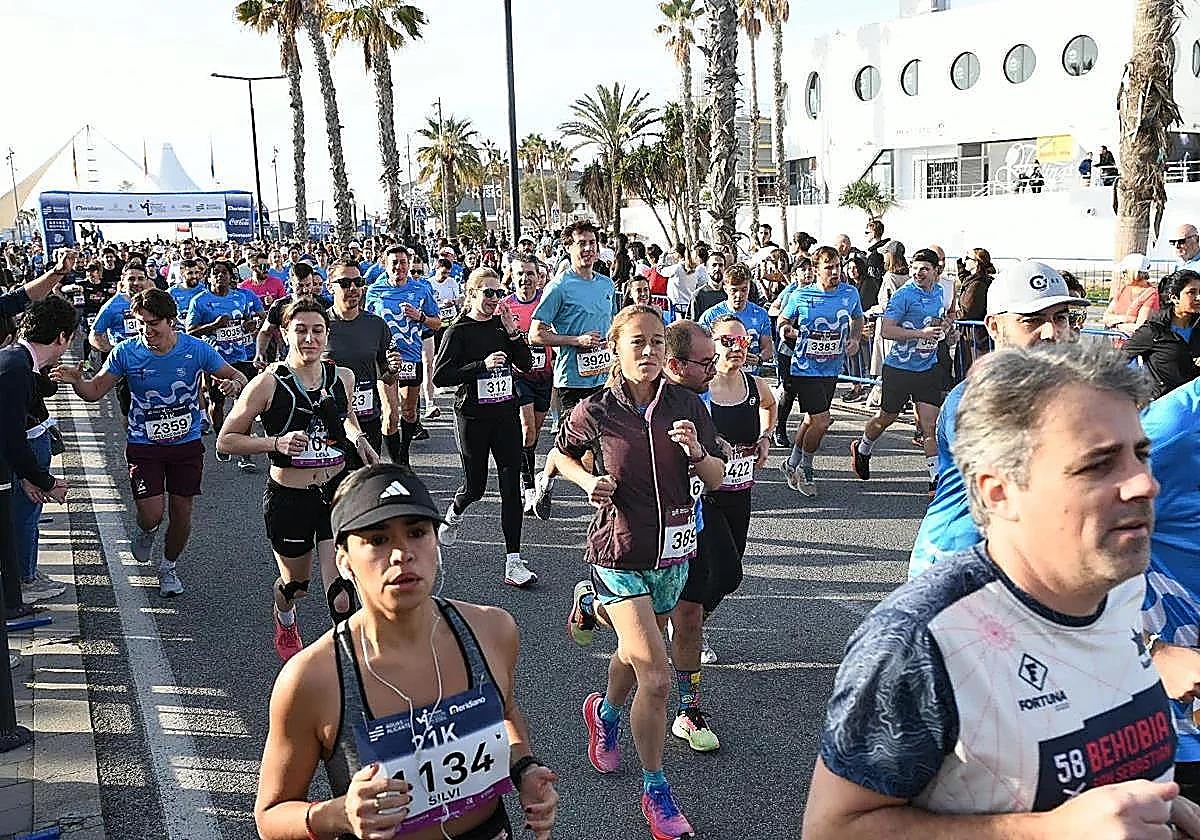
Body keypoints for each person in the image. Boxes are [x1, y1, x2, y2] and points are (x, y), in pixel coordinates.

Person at [805, 342, 1200, 837]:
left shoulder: (1121, 585)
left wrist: (1163, 802)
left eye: (1140, 454)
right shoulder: (922, 640)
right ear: (1000, 492)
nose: (1145, 483)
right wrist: (1048, 831)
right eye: (1099, 464)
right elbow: (833, 830)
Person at [253, 464, 558, 840]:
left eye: (416, 533)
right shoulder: (313, 678)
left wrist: (524, 768)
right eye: (378, 539)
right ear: (344, 558)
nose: (402, 554)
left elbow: (506, 712)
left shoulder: (493, 630)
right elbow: (270, 816)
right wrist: (338, 814)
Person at [558, 305, 723, 840]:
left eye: (656, 343)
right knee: (655, 673)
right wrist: (586, 482)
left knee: (636, 651)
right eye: (637, 344)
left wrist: (696, 452)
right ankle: (656, 791)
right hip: (619, 553)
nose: (649, 352)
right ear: (616, 350)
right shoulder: (597, 411)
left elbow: (717, 478)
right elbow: (560, 457)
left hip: (673, 553)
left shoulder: (688, 405)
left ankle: (605, 714)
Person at [53, 289, 249, 597]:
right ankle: (146, 531)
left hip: (186, 443)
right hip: (145, 445)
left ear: (172, 322)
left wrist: (233, 384)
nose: (146, 331)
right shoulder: (126, 352)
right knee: (152, 514)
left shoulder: (196, 349)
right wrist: (77, 381)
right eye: (140, 323)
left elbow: (238, 376)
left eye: (153, 323)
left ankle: (168, 567)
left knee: (182, 513)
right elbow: (93, 392)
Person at [218, 298, 379, 661]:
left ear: (327, 335)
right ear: (286, 334)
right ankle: (284, 614)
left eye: (317, 330)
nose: (310, 338)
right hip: (289, 497)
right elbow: (226, 440)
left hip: (335, 493)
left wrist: (359, 439)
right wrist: (275, 442)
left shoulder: (343, 377)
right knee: (296, 586)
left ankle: (349, 672)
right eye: (301, 330)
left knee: (340, 590)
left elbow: (346, 416)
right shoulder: (267, 383)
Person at [907, 261, 1088, 580]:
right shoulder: (975, 398)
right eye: (1032, 320)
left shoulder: (1066, 391)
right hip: (958, 564)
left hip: (1026, 565)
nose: (1051, 332)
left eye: (1060, 318)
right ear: (993, 327)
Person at [669, 316, 774, 753]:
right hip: (692, 506)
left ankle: (677, 634)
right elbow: (566, 452)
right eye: (725, 342)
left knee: (729, 575)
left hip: (735, 492)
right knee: (679, 613)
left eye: (741, 340)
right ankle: (685, 709)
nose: (735, 348)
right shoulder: (686, 396)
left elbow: (767, 405)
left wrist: (762, 440)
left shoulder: (748, 384)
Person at [0, 295, 74, 753]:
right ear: (64, 337)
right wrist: (42, 478)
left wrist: (27, 480)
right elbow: (8, 434)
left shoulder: (17, 365)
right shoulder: (11, 368)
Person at [527, 220, 617, 520]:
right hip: (571, 381)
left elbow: (613, 327)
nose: (589, 249)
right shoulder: (559, 286)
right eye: (582, 243)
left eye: (592, 242)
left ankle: (604, 509)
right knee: (571, 448)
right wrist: (574, 340)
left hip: (603, 378)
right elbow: (536, 334)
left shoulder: (607, 284)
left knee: (603, 444)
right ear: (569, 247)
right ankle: (546, 480)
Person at [851, 247, 947, 497]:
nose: (918, 273)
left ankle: (934, 479)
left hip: (927, 367)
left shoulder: (939, 292)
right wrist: (919, 334)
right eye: (915, 268)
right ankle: (863, 448)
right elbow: (887, 331)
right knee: (886, 419)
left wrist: (948, 330)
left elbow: (941, 320)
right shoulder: (904, 296)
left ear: (936, 271)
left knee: (930, 427)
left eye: (924, 269)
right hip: (899, 368)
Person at [778, 245, 864, 496]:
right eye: (829, 267)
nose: (835, 271)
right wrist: (787, 330)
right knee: (822, 421)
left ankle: (790, 463)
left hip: (832, 366)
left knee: (811, 420)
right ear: (816, 271)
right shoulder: (801, 295)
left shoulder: (850, 294)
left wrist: (856, 338)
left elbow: (857, 319)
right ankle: (806, 467)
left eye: (838, 266)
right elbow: (783, 320)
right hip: (805, 367)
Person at [365, 245, 441, 467]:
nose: (399, 266)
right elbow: (367, 323)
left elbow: (437, 323)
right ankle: (398, 463)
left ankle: (404, 454)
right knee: (390, 415)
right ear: (385, 265)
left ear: (409, 264)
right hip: (386, 358)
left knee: (409, 412)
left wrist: (420, 317)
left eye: (403, 262)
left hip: (411, 357)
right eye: (394, 262)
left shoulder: (421, 289)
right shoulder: (374, 292)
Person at [186, 259, 263, 474]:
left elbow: (253, 320)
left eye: (224, 272)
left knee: (246, 404)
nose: (220, 276)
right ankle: (222, 437)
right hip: (215, 360)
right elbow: (190, 332)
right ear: (208, 277)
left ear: (231, 276)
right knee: (217, 403)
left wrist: (251, 324)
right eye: (215, 273)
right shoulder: (200, 301)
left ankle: (245, 454)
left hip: (242, 357)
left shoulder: (242, 297)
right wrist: (214, 325)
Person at [324, 260, 394, 454]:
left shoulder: (376, 325)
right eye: (345, 283)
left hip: (368, 418)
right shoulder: (319, 325)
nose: (353, 288)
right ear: (330, 287)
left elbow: (387, 376)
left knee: (367, 481)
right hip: (328, 422)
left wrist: (393, 369)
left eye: (358, 281)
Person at [502, 257, 554, 513]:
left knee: (533, 436)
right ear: (512, 276)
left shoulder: (549, 301)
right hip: (518, 376)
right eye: (520, 274)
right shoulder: (505, 306)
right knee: (527, 429)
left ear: (538, 276)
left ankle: (525, 468)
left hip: (544, 376)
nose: (525, 279)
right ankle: (528, 486)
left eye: (530, 273)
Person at [1125, 269, 1200, 399]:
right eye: (1192, 293)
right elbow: (1118, 359)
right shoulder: (1153, 330)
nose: (1199, 297)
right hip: (1163, 408)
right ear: (1174, 297)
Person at [697, 262, 774, 375]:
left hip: (750, 377)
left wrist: (759, 358)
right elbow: (700, 347)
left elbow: (768, 348)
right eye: (734, 290)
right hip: (719, 377)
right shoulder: (711, 315)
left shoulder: (760, 314)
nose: (739, 295)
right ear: (725, 289)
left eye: (744, 290)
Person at [421, 257, 462, 422]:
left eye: (448, 273)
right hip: (435, 325)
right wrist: (439, 304)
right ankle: (436, 385)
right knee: (434, 357)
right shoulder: (429, 284)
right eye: (443, 272)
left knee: (451, 352)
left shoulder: (452, 282)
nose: (445, 276)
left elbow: (459, 299)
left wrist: (453, 302)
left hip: (450, 322)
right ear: (436, 269)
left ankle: (448, 380)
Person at [1103, 253, 1160, 335]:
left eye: (1124, 272)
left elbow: (1140, 327)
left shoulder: (1151, 294)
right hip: (1116, 342)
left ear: (1135, 272)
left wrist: (1116, 325)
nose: (1122, 275)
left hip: (1135, 345)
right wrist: (1128, 319)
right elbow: (1106, 317)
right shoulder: (1123, 289)